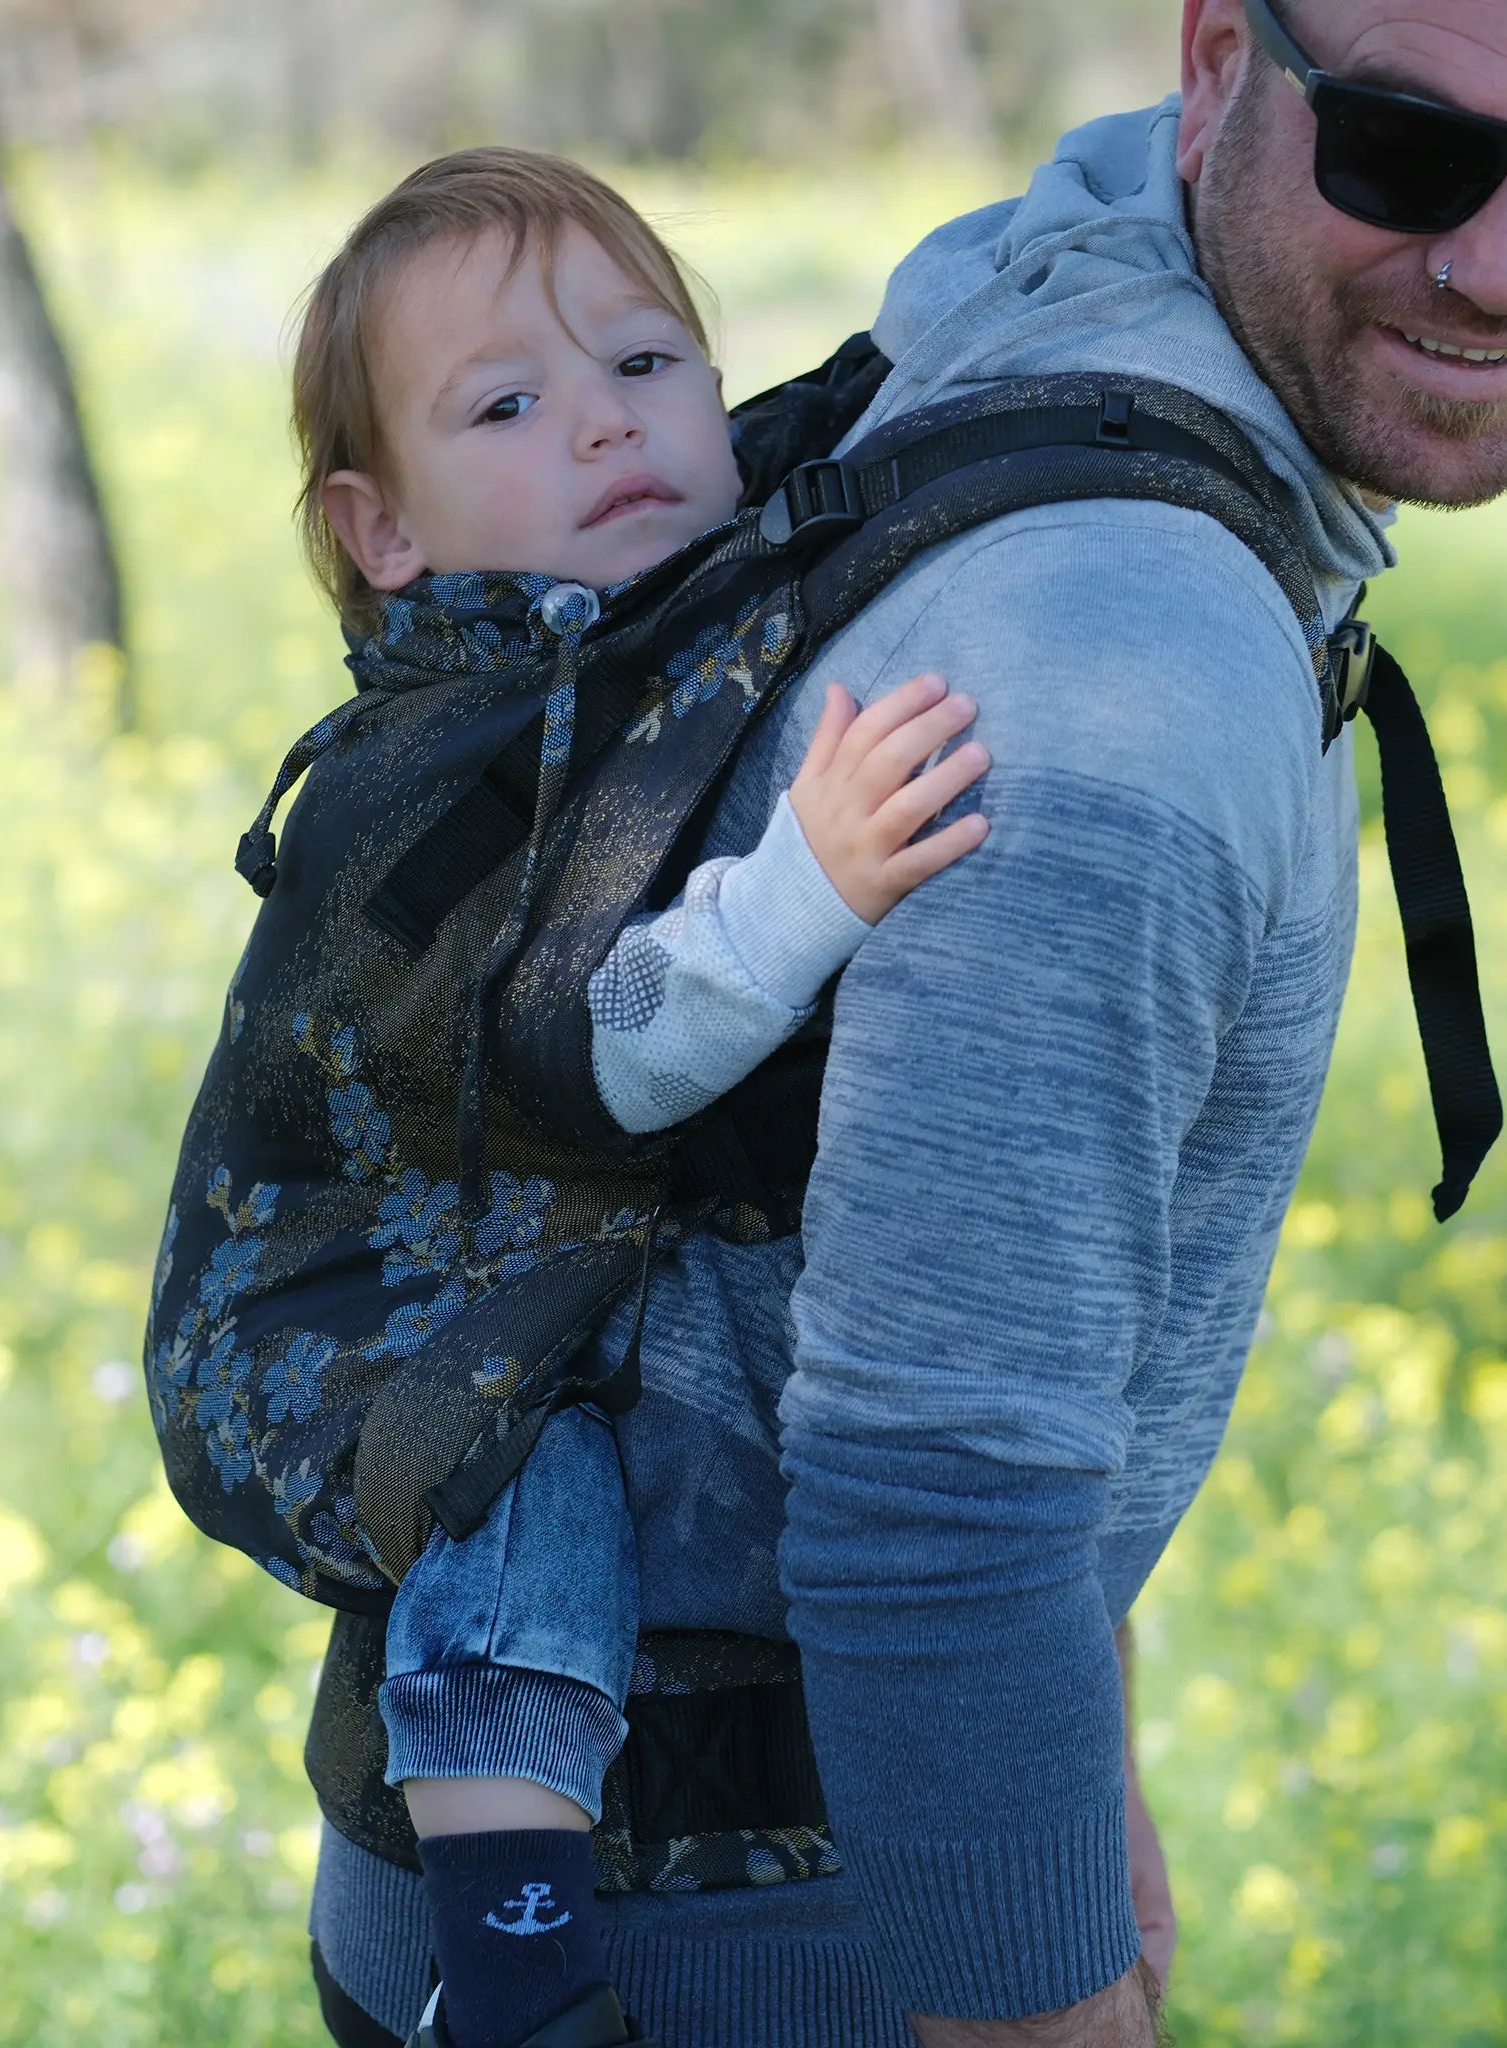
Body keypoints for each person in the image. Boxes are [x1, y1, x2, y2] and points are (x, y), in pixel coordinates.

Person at [309, 0, 1507, 2042]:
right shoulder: (1102, 671)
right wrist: (1054, 2003)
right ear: (1216, 64)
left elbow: (913, 1251)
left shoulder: (1036, 298)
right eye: (1406, 153)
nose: (1491, 269)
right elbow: (931, 1503)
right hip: (731, 1952)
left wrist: (1086, 1741)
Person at [288, 149, 992, 2048]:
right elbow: (590, 1045)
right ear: (381, 531)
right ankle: (516, 1987)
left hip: (815, 1818)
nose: (605, 419)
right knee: (515, 1483)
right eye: (508, 405)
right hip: (492, 1339)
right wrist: (810, 890)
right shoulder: (454, 762)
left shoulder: (712, 641)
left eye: (647, 360)